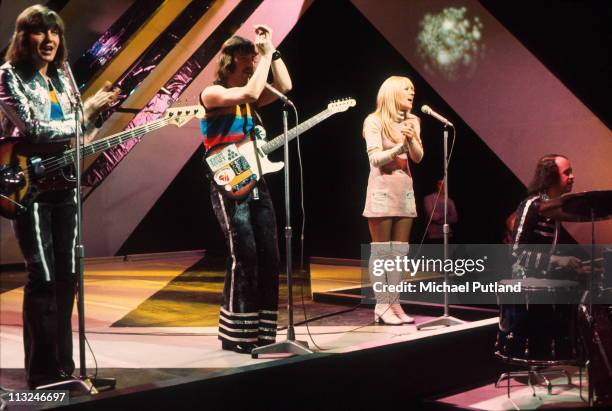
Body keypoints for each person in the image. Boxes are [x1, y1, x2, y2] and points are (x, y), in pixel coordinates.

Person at [0, 5, 119, 388]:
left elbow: (76, 138)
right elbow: (34, 127)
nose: (50, 40)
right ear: (24, 37)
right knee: (44, 277)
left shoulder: (63, 76)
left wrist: (97, 114)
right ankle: (42, 373)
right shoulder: (8, 76)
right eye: (40, 32)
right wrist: (86, 114)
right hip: (27, 185)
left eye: (55, 33)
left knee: (68, 276)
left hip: (63, 185)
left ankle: (65, 369)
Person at [199, 25, 292, 354]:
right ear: (231, 61)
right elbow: (252, 93)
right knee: (245, 254)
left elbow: (285, 86)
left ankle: (262, 332)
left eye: (254, 59)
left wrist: (273, 50)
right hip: (227, 174)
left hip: (254, 175)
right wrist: (264, 55)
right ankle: (237, 335)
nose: (253, 64)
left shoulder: (249, 98)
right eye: (247, 59)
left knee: (270, 254)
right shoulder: (213, 94)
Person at [363, 76, 424, 325]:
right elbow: (375, 159)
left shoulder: (413, 120)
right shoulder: (374, 120)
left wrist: (411, 139)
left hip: (404, 190)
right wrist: (400, 147)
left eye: (413, 90)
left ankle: (394, 302)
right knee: (382, 251)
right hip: (381, 188)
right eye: (406, 89)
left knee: (399, 252)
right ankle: (382, 303)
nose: (411, 93)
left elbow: (418, 158)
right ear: (391, 92)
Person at [511, 154, 583, 278]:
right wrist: (558, 260)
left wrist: (571, 267)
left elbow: (546, 257)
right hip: (526, 283)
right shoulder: (532, 205)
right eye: (567, 172)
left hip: (543, 280)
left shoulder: (555, 209)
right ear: (551, 177)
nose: (572, 176)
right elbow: (516, 253)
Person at [423, 179, 458, 243]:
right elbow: (433, 217)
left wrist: (439, 218)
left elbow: (455, 219)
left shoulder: (450, 201)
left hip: (448, 235)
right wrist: (446, 213)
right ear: (436, 186)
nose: (442, 186)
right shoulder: (428, 198)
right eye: (440, 184)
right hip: (433, 236)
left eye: (444, 185)